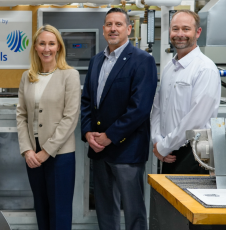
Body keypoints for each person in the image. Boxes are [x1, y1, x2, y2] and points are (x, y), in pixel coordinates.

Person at [81, 8, 157, 230]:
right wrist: (88, 133)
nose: (113, 29)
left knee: (134, 210)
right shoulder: (96, 60)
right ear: (103, 29)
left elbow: (140, 108)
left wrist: (110, 136)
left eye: (118, 24)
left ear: (129, 29)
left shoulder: (143, 60)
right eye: (109, 24)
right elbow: (87, 101)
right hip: (98, 149)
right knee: (105, 210)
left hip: (127, 150)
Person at [16, 24, 81, 230]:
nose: (47, 48)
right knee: (41, 208)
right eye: (42, 43)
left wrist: (46, 152)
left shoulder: (69, 75)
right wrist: (27, 150)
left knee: (59, 211)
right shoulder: (28, 76)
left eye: (51, 44)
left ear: (59, 47)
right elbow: (21, 114)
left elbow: (70, 118)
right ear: (35, 47)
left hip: (59, 154)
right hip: (32, 154)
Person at [151, 10, 220, 174]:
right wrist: (158, 140)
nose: (180, 34)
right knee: (164, 199)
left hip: (194, 154)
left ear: (198, 32)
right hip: (168, 150)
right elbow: (157, 107)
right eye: (175, 29)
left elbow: (195, 120)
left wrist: (164, 146)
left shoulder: (205, 68)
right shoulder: (169, 68)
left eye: (186, 29)